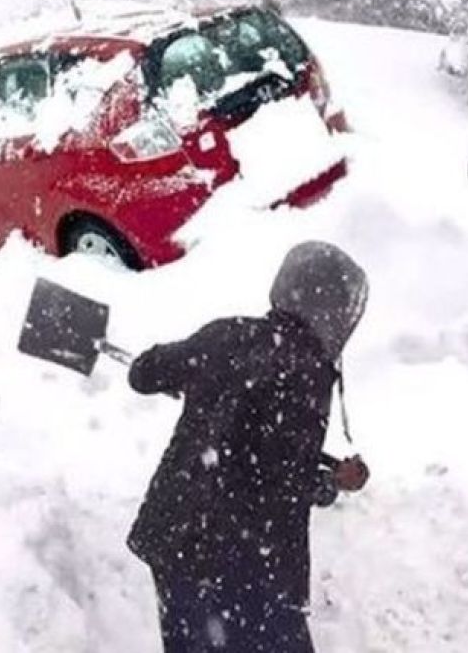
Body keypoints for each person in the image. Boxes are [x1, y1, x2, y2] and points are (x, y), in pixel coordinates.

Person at [127, 241, 372, 653]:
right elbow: (284, 480)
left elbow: (143, 373)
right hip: (243, 563)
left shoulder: (228, 334)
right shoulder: (309, 375)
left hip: (176, 534)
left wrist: (188, 378)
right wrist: (330, 482)